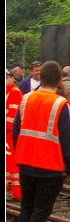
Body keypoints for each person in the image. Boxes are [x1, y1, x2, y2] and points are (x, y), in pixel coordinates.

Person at [10, 60, 70, 222]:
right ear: (59, 80)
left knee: (26, 207)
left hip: (25, 161)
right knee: (40, 210)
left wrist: (20, 153)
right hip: (49, 164)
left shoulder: (26, 98)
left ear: (40, 77)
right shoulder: (60, 104)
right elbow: (66, 139)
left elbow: (15, 131)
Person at [5, 70, 23, 199]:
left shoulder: (14, 92)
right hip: (9, 133)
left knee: (9, 161)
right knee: (11, 162)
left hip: (10, 133)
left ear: (11, 78)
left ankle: (16, 192)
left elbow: (12, 116)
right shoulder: (9, 91)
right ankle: (16, 192)